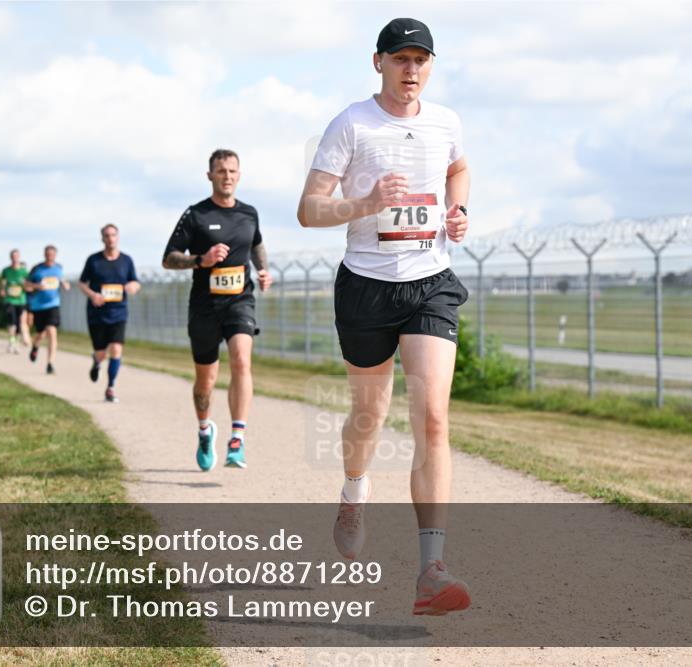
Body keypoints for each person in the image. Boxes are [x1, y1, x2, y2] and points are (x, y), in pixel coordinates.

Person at [297, 18, 471, 616]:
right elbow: (308, 209)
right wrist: (367, 203)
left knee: (432, 417)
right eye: (401, 58)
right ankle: (353, 490)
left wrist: (458, 208)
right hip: (367, 287)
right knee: (369, 417)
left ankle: (431, 568)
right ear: (379, 63)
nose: (412, 69)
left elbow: (458, 167)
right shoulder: (352, 124)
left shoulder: (445, 121)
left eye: (421, 59)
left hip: (430, 281)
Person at [163, 148, 272, 471]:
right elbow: (168, 258)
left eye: (233, 171)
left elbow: (256, 245)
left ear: (239, 175)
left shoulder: (249, 213)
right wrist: (201, 260)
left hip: (240, 300)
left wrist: (263, 270)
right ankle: (204, 429)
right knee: (206, 382)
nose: (227, 177)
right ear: (210, 175)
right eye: (221, 171)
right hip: (204, 306)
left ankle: (237, 439)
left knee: (241, 359)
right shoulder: (195, 215)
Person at [79, 224, 140, 403]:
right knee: (100, 352)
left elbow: (136, 282)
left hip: (118, 313)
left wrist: (132, 287)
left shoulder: (126, 260)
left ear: (118, 237)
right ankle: (96, 362)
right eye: (107, 235)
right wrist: (93, 295)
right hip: (97, 313)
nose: (110, 238)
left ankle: (110, 387)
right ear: (102, 238)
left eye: (113, 235)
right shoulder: (94, 260)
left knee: (116, 348)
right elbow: (82, 283)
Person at [24, 245, 70, 374]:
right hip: (38, 306)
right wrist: (36, 286)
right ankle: (35, 347)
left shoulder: (59, 268)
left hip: (53, 305)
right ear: (44, 255)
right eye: (48, 254)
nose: (50, 257)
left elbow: (61, 280)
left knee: (52, 331)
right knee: (41, 334)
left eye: (52, 255)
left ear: (55, 255)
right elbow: (26, 285)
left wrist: (65, 284)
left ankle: (50, 363)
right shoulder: (37, 269)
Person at [0, 249, 32, 354]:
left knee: (19, 324)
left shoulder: (24, 271)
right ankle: (11, 342)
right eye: (13, 256)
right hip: (10, 300)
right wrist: (2, 290)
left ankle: (16, 342)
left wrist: (25, 285)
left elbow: (29, 287)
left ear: (19, 257)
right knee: (12, 323)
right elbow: (3, 283)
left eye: (16, 256)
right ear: (11, 257)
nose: (15, 258)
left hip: (21, 301)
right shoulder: (6, 271)